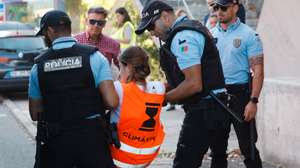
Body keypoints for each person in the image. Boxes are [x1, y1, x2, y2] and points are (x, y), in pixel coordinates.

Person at [135, 1, 231, 167]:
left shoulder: (182, 36)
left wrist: (161, 99)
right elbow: (182, 79)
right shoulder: (190, 28)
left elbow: (194, 84)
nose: (152, 33)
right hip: (217, 106)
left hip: (205, 110)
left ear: (165, 16)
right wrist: (156, 89)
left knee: (184, 164)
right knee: (218, 160)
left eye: (151, 26)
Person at [29, 10, 118, 168]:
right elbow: (111, 101)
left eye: (43, 33)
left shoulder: (38, 66)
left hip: (56, 142)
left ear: (49, 31)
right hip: (92, 140)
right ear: (69, 28)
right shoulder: (95, 57)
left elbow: (35, 114)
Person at [210, 0, 264, 167]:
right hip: (216, 96)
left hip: (240, 96)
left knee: (249, 150)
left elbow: (258, 72)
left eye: (223, 7)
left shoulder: (249, 35)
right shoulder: (209, 35)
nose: (219, 11)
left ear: (235, 7)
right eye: (216, 7)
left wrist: (253, 101)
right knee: (217, 151)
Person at [110, 46, 165, 167]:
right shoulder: (159, 88)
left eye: (120, 67)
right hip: (147, 157)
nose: (120, 71)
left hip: (120, 158)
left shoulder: (119, 88)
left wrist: (120, 79)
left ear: (128, 67)